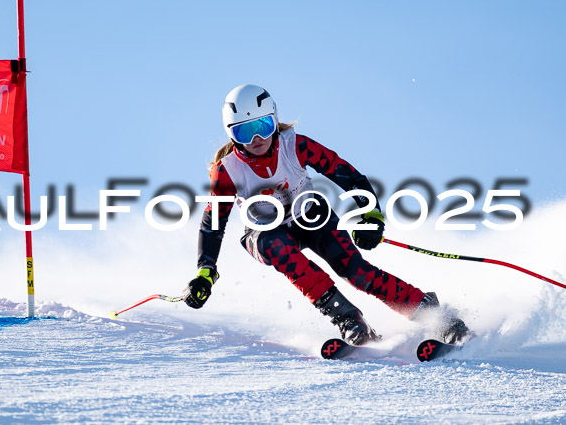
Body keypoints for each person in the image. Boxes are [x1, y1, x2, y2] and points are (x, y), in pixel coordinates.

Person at [182, 84, 470, 346]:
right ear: (232, 135)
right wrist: (205, 273)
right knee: (277, 247)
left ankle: (432, 314)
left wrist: (371, 216)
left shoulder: (294, 145)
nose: (257, 138)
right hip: (264, 232)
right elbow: (213, 224)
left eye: (263, 125)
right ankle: (348, 318)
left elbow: (347, 175)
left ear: (274, 119)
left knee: (356, 272)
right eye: (245, 132)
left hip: (310, 216)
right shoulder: (227, 171)